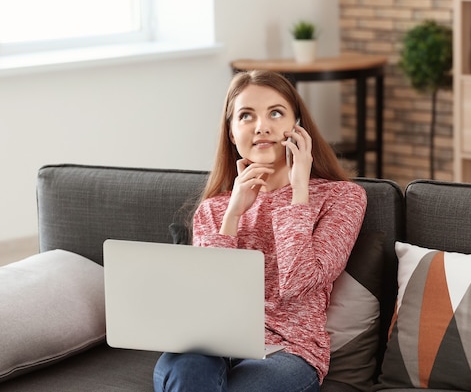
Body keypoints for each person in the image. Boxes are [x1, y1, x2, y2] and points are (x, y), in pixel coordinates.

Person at [153, 70, 367, 392]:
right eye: (246, 116)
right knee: (186, 369)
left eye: (276, 113)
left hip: (289, 351)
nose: (262, 126)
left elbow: (299, 282)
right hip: (215, 344)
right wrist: (233, 214)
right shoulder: (213, 209)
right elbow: (207, 300)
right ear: (231, 132)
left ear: (298, 128)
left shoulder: (342, 197)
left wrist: (298, 193)